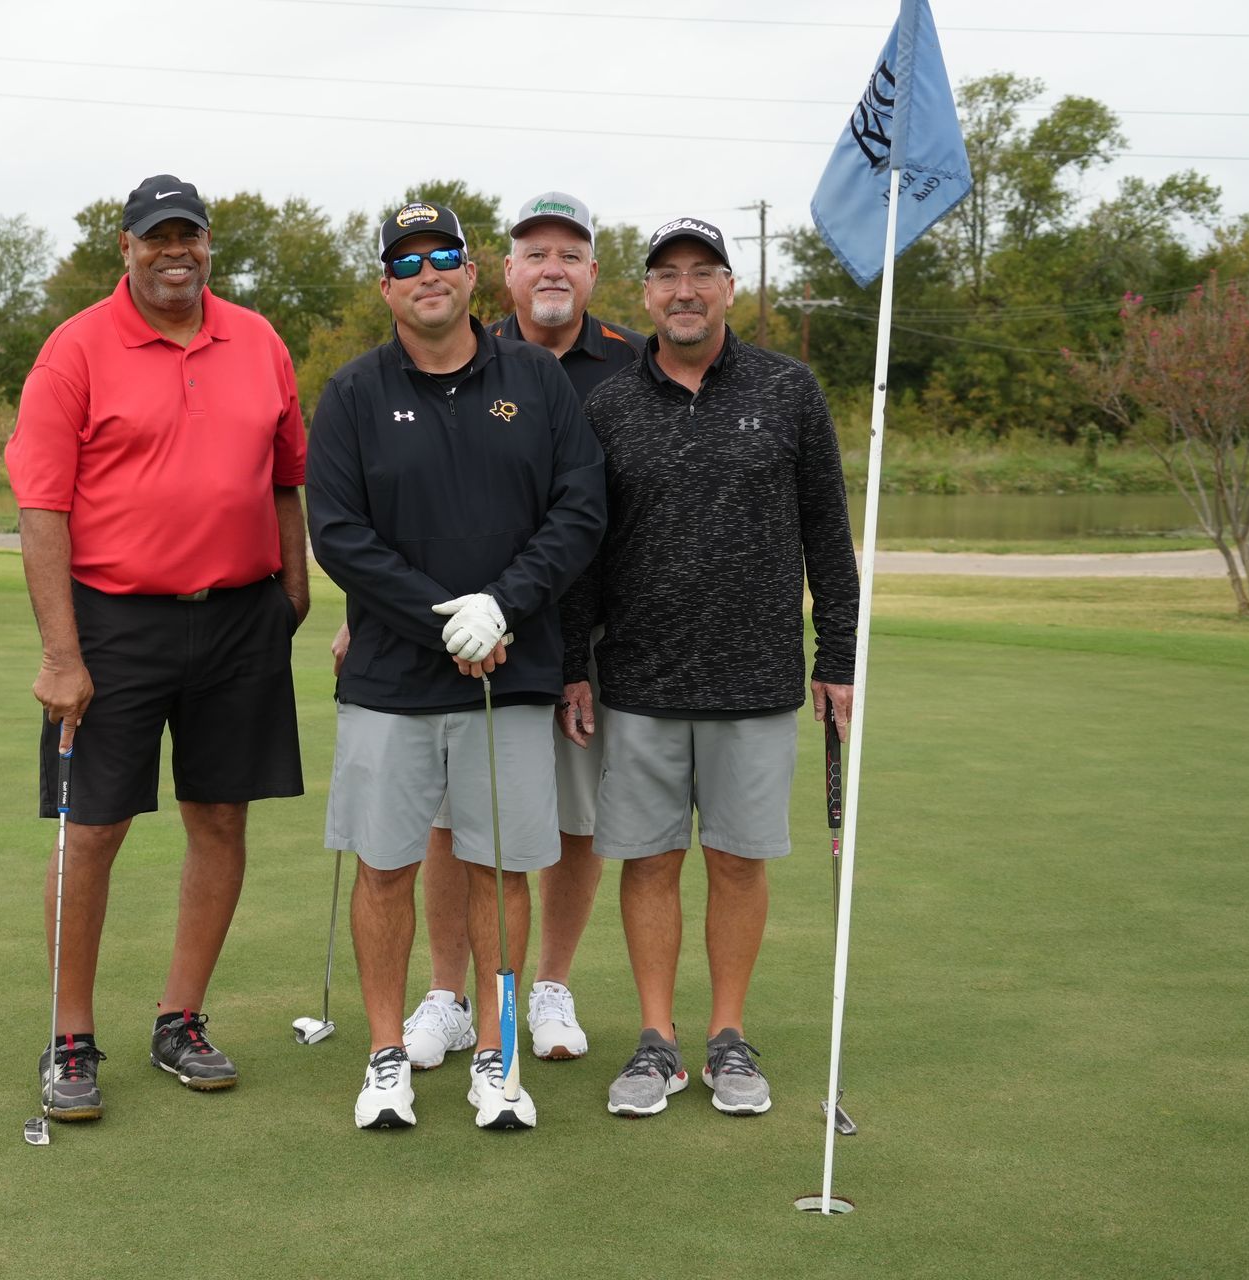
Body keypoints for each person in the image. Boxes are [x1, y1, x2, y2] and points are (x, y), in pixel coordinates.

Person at [4, 174, 309, 1124]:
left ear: (209, 245)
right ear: (126, 249)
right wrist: (62, 652)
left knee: (220, 820)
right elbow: (41, 507)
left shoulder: (256, 338)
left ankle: (180, 1019)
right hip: (114, 621)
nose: (174, 252)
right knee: (91, 830)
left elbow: (286, 476)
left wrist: (293, 586)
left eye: (190, 236)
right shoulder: (74, 351)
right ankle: (70, 1038)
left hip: (238, 617)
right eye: (155, 238)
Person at [307, 200, 605, 1131]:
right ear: (386, 285)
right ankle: (386, 1054)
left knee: (498, 867)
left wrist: (503, 605)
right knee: (386, 864)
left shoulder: (536, 380)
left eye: (445, 256)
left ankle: (494, 1056)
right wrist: (448, 619)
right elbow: (340, 536)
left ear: (474, 275)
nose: (427, 272)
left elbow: (578, 510)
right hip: (394, 680)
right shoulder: (355, 393)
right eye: (407, 261)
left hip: (510, 674)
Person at [561, 216, 858, 1119]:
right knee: (647, 862)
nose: (684, 291)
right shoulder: (607, 403)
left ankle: (729, 1035)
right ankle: (658, 1041)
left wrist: (837, 657)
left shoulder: (789, 389)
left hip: (758, 681)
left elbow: (828, 538)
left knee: (737, 862)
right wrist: (575, 661)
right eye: (667, 277)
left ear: (730, 287)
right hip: (640, 680)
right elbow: (583, 549)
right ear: (645, 295)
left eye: (703, 273)